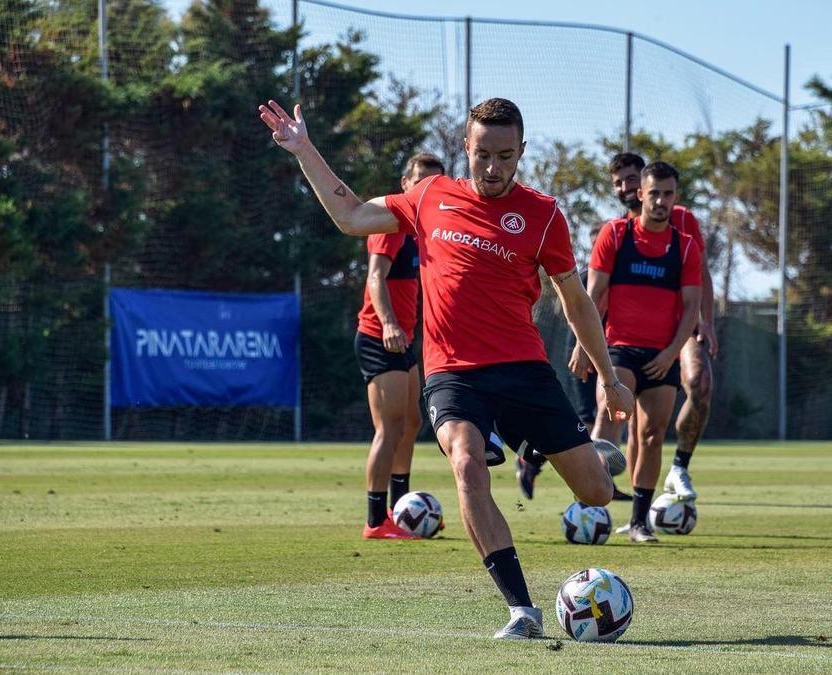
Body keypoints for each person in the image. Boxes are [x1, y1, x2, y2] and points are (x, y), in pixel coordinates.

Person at [258, 96, 633, 639]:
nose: (493, 167)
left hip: (524, 369)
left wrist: (610, 379)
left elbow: (574, 301)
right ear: (466, 147)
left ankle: (576, 451)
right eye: (483, 154)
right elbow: (351, 215)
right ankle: (520, 610)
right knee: (466, 463)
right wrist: (303, 149)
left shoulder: (545, 214)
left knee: (596, 495)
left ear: (521, 151)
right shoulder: (430, 194)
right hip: (452, 373)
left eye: (505, 155)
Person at [581, 161, 702, 542]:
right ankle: (590, 507)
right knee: (612, 409)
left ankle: (638, 522)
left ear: (675, 197)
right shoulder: (615, 235)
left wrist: (671, 354)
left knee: (651, 435)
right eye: (654, 194)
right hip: (618, 349)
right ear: (641, 194)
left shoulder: (685, 248)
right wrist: (582, 346)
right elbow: (591, 297)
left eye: (668, 194)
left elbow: (692, 309)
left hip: (661, 356)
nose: (661, 201)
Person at [356, 152, 444, 539]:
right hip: (380, 336)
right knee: (389, 428)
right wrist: (390, 323)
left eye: (434, 182)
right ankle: (376, 521)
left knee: (411, 423)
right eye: (420, 181)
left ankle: (401, 509)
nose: (426, 189)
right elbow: (375, 277)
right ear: (405, 183)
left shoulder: (427, 227)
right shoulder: (391, 222)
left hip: (405, 341)